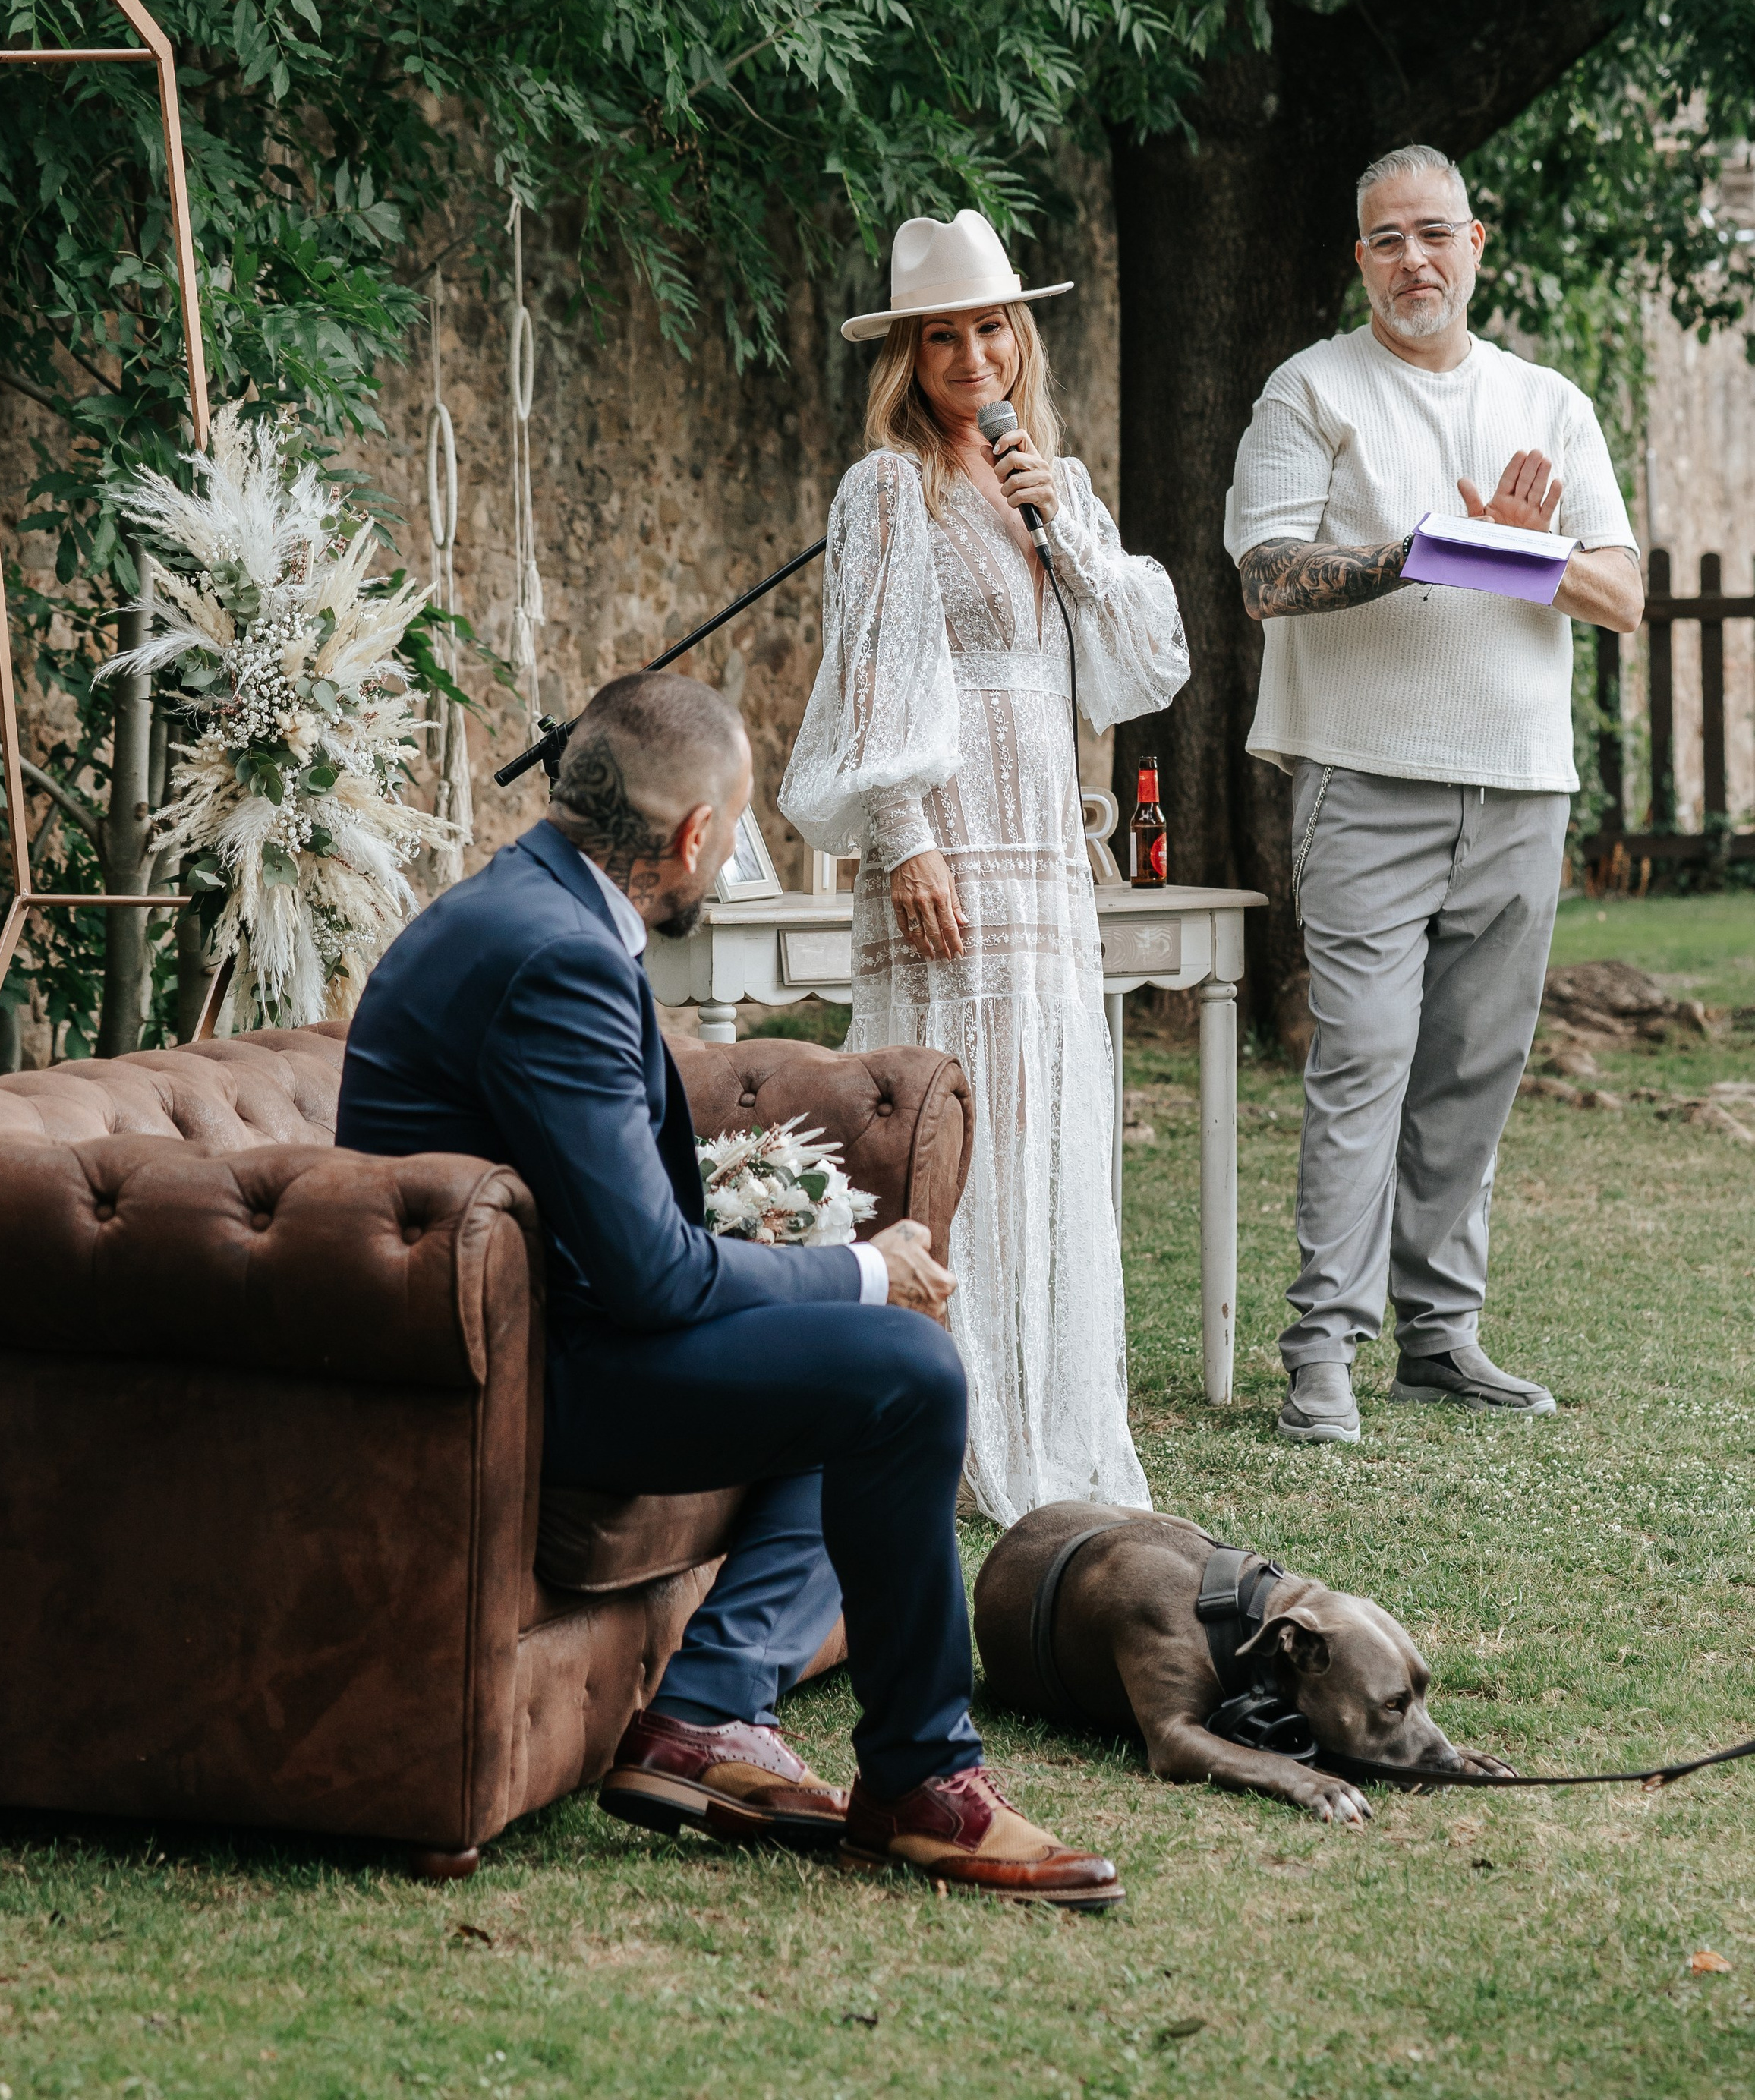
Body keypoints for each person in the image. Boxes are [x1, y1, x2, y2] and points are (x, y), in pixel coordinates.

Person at [336, 668, 1121, 1906]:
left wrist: (808, 1277)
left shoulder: (532, 906)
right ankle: (923, 1782)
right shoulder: (555, 958)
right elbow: (649, 1276)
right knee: (905, 1369)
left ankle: (704, 1714)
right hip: (508, 1379)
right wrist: (860, 1268)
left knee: (852, 1355)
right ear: (695, 836)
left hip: (524, 1329)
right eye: (737, 828)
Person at [1224, 146, 1644, 1446]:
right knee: (1363, 1057)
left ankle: (1440, 1336)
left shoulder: (1549, 402)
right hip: (1367, 774)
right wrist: (1426, 550)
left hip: (1519, 779)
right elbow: (1266, 575)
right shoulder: (1312, 390)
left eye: (1435, 234)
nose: (1414, 258)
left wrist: (1523, 556)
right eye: (1386, 239)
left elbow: (1620, 593)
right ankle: (1322, 1349)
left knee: (1474, 1066)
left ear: (1478, 245)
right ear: (1361, 261)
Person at [779, 209, 1189, 1524]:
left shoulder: (1048, 482)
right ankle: (945, 1418)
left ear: (1023, 336)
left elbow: (1143, 663)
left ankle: (1051, 1417)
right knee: (954, 1123)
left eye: (991, 326)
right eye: (942, 334)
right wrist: (905, 843)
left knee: (1046, 1115)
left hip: (1044, 858)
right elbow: (874, 680)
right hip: (950, 845)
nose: (972, 354)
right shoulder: (886, 489)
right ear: (908, 353)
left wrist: (1062, 524)